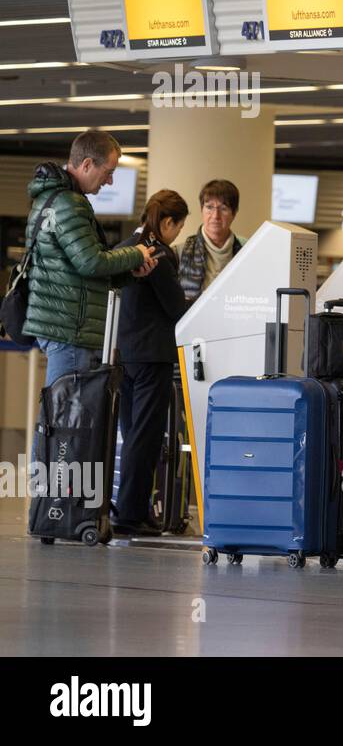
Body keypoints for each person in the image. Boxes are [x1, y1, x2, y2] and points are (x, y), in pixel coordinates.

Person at [23, 131, 155, 391]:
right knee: (66, 415)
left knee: (63, 414)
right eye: (108, 171)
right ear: (86, 165)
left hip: (65, 325)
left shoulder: (54, 199)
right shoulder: (68, 203)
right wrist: (137, 253)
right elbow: (90, 262)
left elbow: (79, 268)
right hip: (71, 329)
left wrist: (131, 273)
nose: (110, 181)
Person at [113, 190, 191, 536]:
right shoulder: (159, 253)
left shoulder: (124, 247)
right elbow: (177, 308)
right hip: (152, 357)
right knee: (143, 438)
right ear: (168, 222)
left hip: (123, 355)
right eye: (180, 226)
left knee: (131, 435)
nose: (178, 233)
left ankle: (128, 508)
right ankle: (130, 515)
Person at [175, 179, 244, 300]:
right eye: (209, 207)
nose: (215, 216)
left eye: (223, 208)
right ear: (201, 210)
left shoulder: (247, 251)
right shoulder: (179, 253)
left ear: (234, 213)